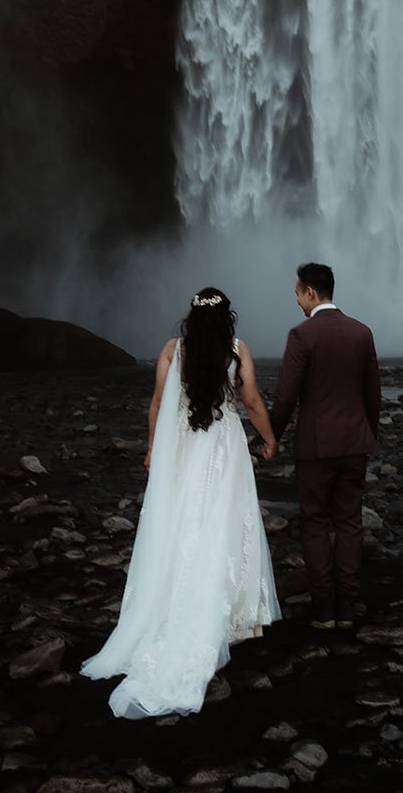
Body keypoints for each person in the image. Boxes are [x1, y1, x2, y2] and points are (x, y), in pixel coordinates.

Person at [80, 287, 281, 718]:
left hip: (187, 449)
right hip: (223, 449)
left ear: (191, 316)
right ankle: (236, 614)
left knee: (182, 522)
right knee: (225, 523)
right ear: (227, 317)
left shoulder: (174, 349)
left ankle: (173, 601)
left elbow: (157, 404)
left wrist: (153, 449)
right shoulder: (236, 349)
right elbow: (250, 401)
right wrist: (269, 438)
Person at [270, 263, 380, 631]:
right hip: (354, 442)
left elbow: (286, 397)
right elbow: (372, 393)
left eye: (298, 294)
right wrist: (368, 432)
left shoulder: (302, 336)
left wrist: (272, 436)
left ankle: (323, 610)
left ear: (311, 293)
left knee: (315, 523)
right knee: (349, 523)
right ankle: (347, 606)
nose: (297, 301)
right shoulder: (362, 333)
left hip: (315, 446)